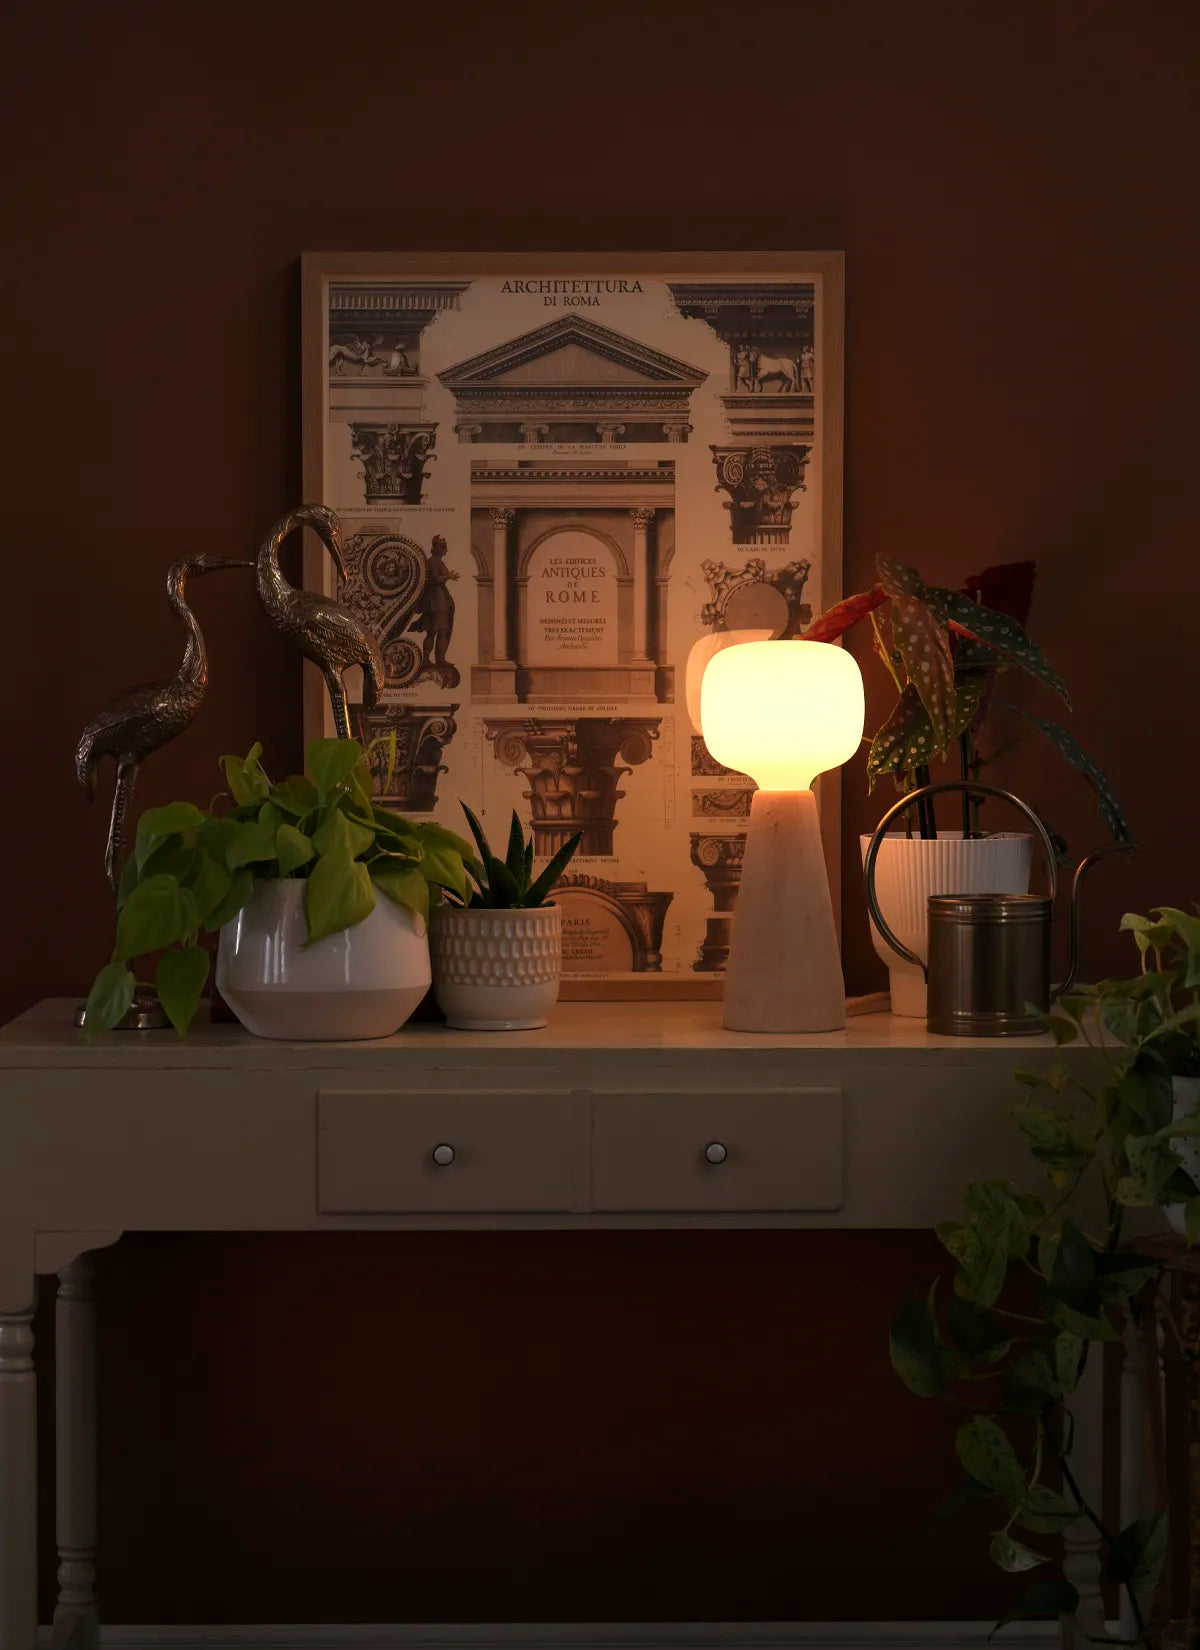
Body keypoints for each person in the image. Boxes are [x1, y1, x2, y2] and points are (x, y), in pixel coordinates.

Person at [412, 535, 460, 674]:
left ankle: (431, 660)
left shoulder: (435, 561)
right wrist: (448, 576)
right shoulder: (434, 562)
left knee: (432, 632)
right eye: (442, 546)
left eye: (444, 546)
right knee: (441, 631)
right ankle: (439, 660)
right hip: (438, 602)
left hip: (435, 601)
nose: (445, 549)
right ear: (435, 547)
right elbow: (434, 580)